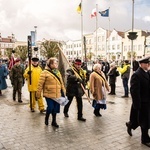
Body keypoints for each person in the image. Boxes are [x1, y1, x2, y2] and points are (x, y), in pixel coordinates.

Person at [125, 56, 150, 147]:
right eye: (147, 63)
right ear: (141, 64)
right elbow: (134, 91)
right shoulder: (137, 74)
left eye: (148, 63)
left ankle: (130, 125)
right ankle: (145, 139)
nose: (148, 65)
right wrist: (137, 105)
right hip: (141, 103)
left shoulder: (147, 73)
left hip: (147, 102)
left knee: (139, 120)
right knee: (144, 122)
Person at [36, 57, 66, 128]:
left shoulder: (57, 72)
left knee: (55, 108)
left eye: (57, 63)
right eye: (55, 63)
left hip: (57, 94)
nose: (56, 64)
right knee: (50, 107)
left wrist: (64, 91)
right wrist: (38, 94)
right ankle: (47, 117)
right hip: (48, 94)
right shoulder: (44, 72)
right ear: (50, 64)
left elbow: (61, 83)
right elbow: (40, 84)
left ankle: (54, 121)